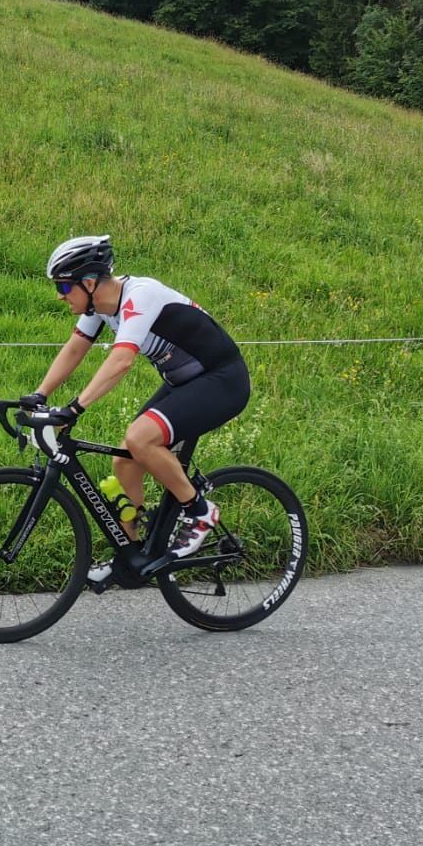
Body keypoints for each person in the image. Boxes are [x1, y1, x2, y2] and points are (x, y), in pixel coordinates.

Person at [21, 235, 251, 588]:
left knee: (140, 438)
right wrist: (38, 394)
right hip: (186, 382)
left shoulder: (140, 296)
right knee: (126, 460)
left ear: (89, 282)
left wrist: (75, 407)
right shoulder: (98, 308)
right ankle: (131, 555)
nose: (60, 294)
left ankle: (200, 513)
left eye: (65, 285)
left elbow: (122, 359)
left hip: (222, 380)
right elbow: (74, 349)